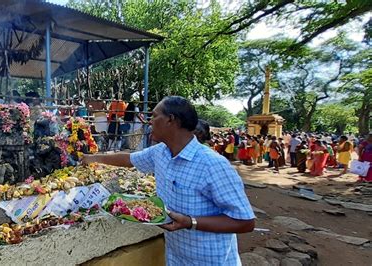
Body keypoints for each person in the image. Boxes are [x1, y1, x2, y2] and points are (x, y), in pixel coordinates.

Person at [82, 96, 255, 265]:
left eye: (155, 116)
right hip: (175, 256)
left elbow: (245, 222)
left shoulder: (213, 165)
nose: (150, 122)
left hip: (210, 260)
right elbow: (129, 159)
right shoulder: (160, 152)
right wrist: (91, 158)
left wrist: (190, 222)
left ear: (171, 120)